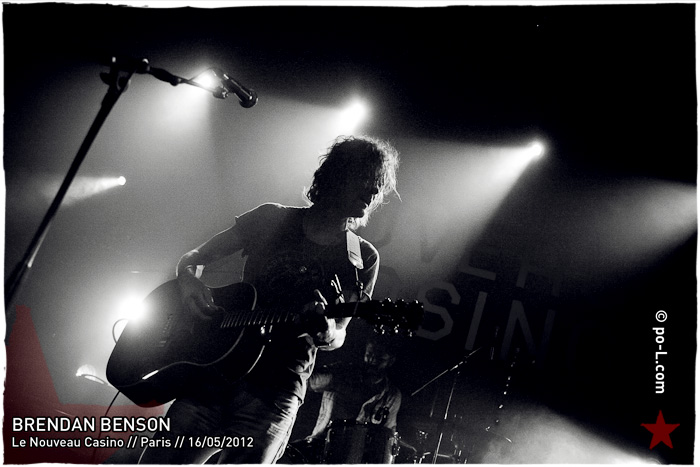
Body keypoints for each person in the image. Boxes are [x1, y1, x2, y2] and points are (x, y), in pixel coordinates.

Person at [138, 135, 399, 464]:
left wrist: (325, 332)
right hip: (212, 374)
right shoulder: (270, 219)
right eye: (366, 178)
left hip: (275, 391)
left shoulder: (361, 257)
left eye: (378, 184)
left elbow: (339, 334)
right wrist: (188, 280)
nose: (374, 191)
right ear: (338, 174)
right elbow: (193, 257)